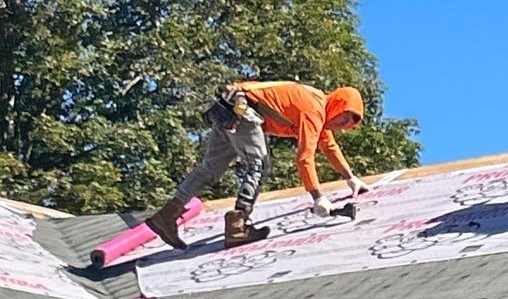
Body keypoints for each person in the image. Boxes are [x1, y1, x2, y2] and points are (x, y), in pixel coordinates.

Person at [145, 81, 369, 250]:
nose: (340, 125)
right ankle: (238, 226)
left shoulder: (320, 107)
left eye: (346, 125)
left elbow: (329, 146)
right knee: (259, 165)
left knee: (211, 168)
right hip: (243, 110)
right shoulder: (314, 110)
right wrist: (318, 197)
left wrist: (350, 178)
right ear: (337, 105)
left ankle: (167, 215)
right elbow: (305, 158)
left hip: (230, 106)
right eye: (343, 118)